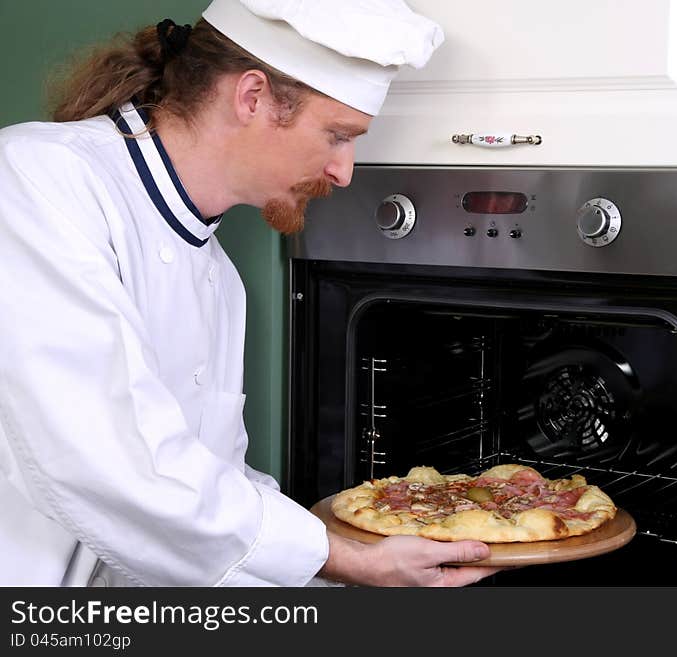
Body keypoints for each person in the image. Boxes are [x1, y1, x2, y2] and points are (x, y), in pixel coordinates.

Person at [0, 0, 502, 587]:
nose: (344, 172)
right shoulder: (38, 178)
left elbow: (210, 498)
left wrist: (339, 553)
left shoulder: (219, 280)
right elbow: (105, 463)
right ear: (252, 97)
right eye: (338, 135)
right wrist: (341, 558)